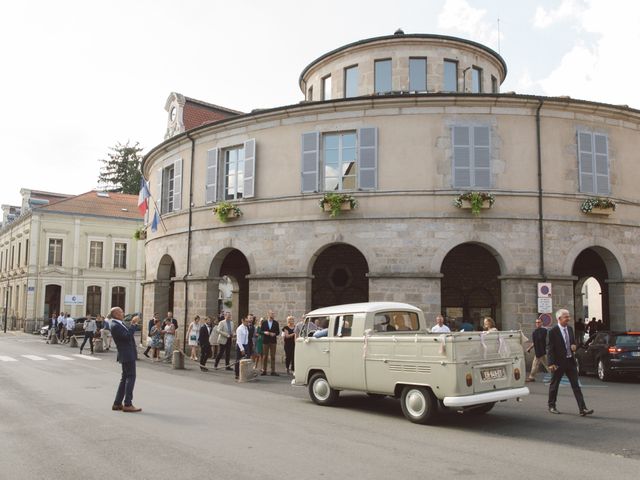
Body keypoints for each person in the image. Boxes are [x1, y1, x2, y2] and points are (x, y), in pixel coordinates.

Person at [547, 308, 593, 416]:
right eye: (566, 317)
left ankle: (583, 409)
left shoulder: (570, 329)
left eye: (568, 316)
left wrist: (574, 347)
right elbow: (550, 348)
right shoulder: (552, 332)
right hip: (558, 363)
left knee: (576, 386)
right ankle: (551, 406)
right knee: (554, 385)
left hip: (570, 361)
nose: (568, 318)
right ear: (559, 318)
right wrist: (551, 363)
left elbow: (573, 343)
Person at [109, 307, 141, 412]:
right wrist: (133, 324)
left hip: (126, 353)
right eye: (121, 312)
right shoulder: (115, 325)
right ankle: (128, 404)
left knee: (124, 379)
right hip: (126, 354)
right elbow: (127, 336)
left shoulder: (118, 323)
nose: (123, 313)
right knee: (130, 377)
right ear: (116, 314)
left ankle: (117, 403)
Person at [526, 318, 548, 382]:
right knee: (535, 364)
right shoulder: (534, 332)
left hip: (543, 352)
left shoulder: (545, 331)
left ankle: (555, 376)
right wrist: (529, 348)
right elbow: (534, 343)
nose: (537, 323)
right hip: (538, 351)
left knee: (547, 365)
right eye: (536, 322)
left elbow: (547, 340)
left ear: (542, 323)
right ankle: (531, 377)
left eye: (539, 322)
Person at [261, 311, 280, 376]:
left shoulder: (276, 323)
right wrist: (264, 332)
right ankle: (264, 370)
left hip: (273, 341)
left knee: (273, 356)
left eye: (273, 314)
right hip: (265, 341)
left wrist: (274, 334)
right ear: (268, 314)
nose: (272, 315)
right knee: (265, 356)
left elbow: (278, 332)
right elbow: (260, 331)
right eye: (271, 314)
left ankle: (273, 371)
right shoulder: (264, 323)